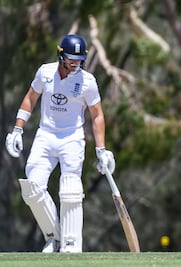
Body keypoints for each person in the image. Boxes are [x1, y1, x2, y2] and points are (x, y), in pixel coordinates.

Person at [5, 34, 115, 253]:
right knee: (32, 187)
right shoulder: (45, 72)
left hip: (72, 138)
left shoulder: (87, 82)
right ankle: (54, 238)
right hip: (45, 135)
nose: (75, 63)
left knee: (71, 189)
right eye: (71, 58)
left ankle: (71, 245)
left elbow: (97, 115)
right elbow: (30, 98)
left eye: (79, 59)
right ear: (61, 55)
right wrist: (17, 129)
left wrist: (102, 150)